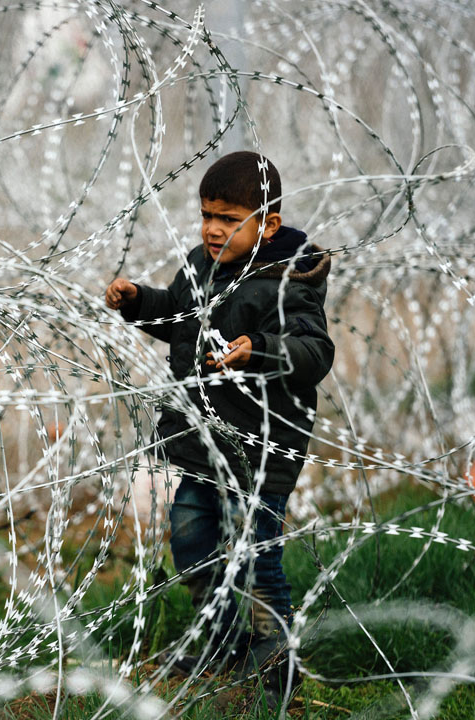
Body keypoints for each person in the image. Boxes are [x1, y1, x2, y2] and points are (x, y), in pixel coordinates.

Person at [104, 151, 334, 705]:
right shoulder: (200, 266)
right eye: (207, 215)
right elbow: (178, 317)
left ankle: (275, 665)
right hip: (203, 445)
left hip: (259, 452)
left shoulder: (286, 282)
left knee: (258, 560)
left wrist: (260, 350)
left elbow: (315, 350)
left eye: (229, 219)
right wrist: (138, 302)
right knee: (190, 540)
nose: (212, 228)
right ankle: (222, 639)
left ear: (268, 226)